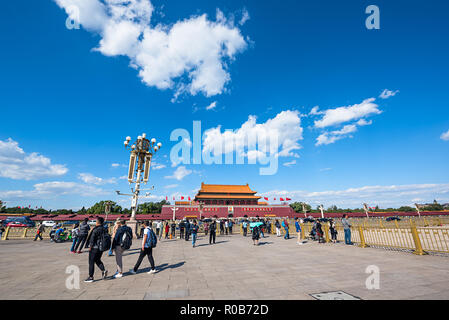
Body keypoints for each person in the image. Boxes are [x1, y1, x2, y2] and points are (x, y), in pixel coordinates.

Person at [84, 217, 108, 282]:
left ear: (97, 222)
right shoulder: (104, 228)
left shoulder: (95, 229)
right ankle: (103, 270)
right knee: (97, 260)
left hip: (94, 247)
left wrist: (90, 247)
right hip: (101, 247)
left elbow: (92, 239)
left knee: (91, 262)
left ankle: (91, 277)